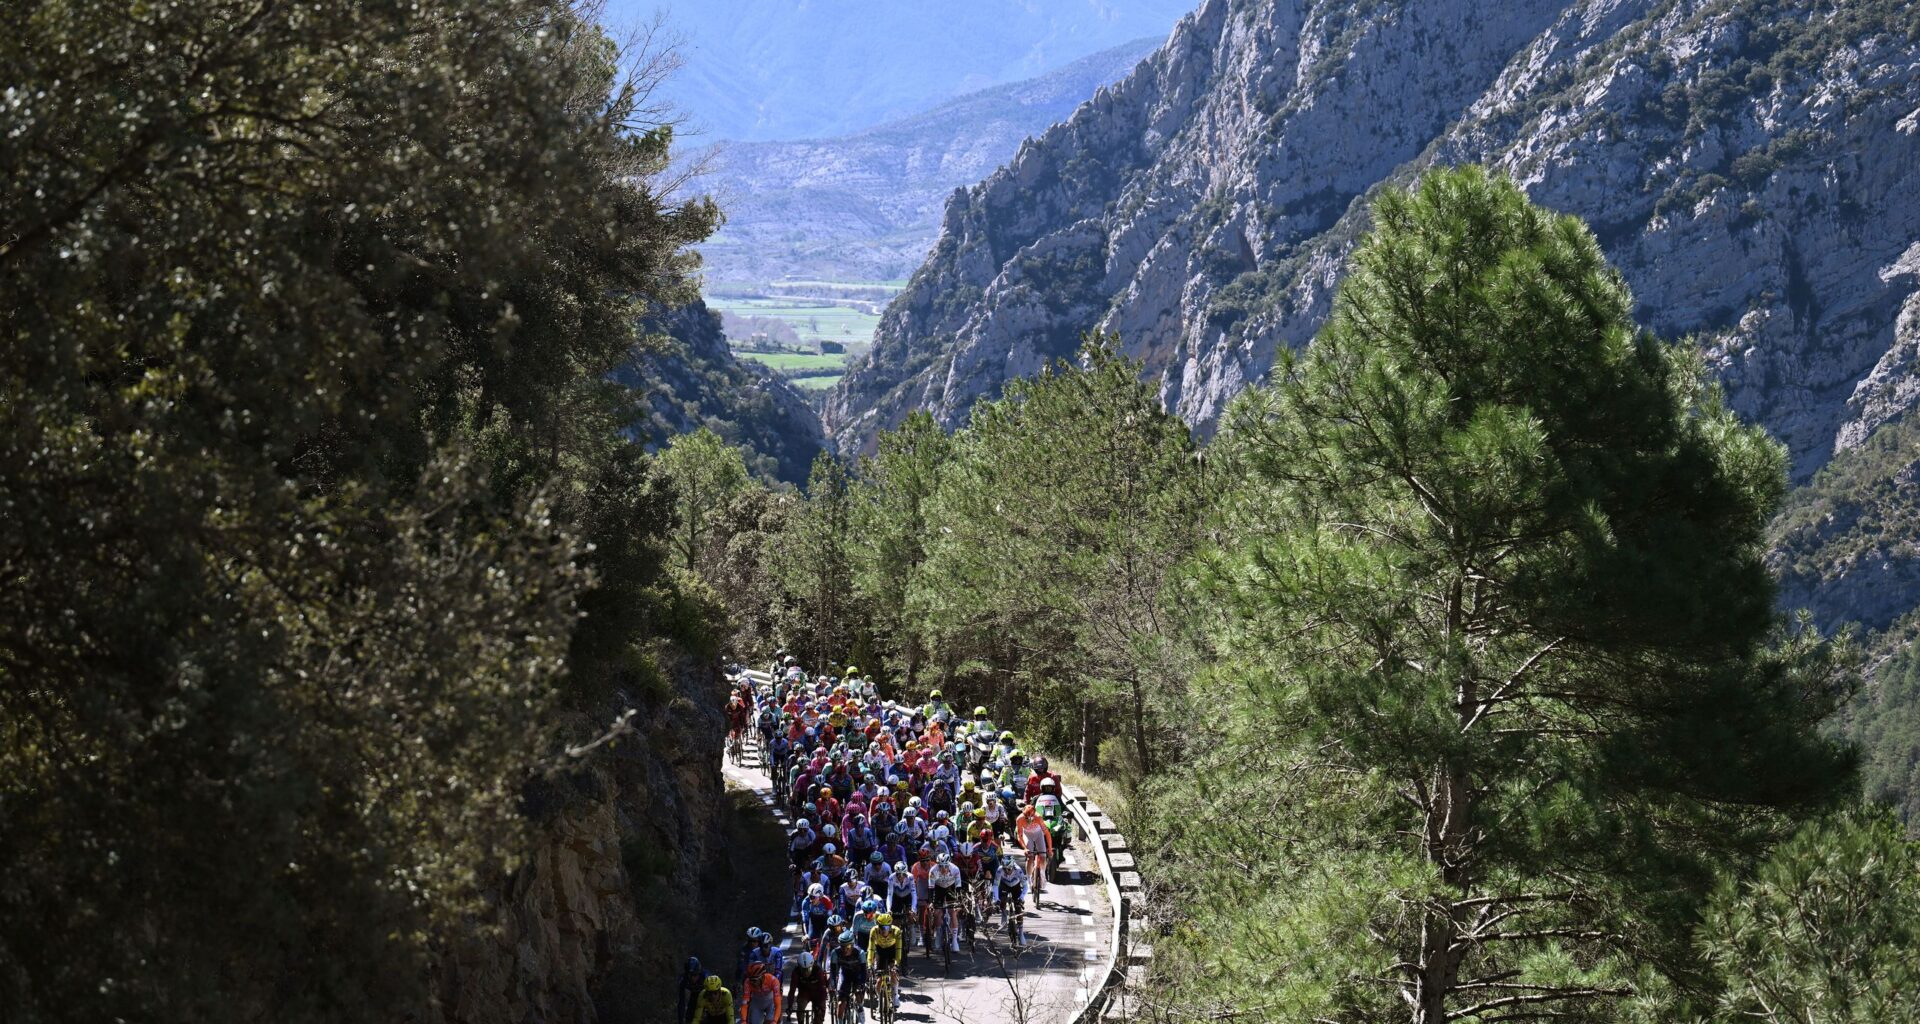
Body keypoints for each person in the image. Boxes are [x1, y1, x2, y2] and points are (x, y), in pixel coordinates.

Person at [867, 912, 905, 1010]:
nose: (884, 930)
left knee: (893, 973)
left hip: (893, 950)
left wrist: (896, 965)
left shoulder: (897, 931)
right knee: (879, 980)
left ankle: (895, 996)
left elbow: (899, 950)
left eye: (887, 928)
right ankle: (880, 1000)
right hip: (880, 950)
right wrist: (869, 964)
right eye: (882, 928)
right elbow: (870, 949)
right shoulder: (873, 931)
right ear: (878, 926)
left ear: (890, 926)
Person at [1015, 803, 1052, 898]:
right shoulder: (1019, 819)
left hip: (1038, 834)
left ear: (1033, 816)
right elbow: (1019, 835)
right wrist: (1025, 848)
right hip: (1028, 835)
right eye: (1025, 817)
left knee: (1043, 856)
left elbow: (1047, 834)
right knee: (1029, 857)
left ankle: (1043, 874)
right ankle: (1028, 880)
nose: (1026, 820)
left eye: (1029, 818)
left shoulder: (1038, 817)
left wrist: (1050, 849)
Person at [828, 935, 868, 1023]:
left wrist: (861, 984)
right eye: (843, 947)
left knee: (858, 993)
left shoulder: (860, 953)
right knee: (841, 1003)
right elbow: (833, 971)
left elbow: (864, 971)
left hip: (857, 974)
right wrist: (833, 984)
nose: (845, 950)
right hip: (844, 974)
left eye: (848, 947)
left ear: (853, 945)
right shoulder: (835, 953)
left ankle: (860, 1009)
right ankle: (840, 1021)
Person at [787, 949, 830, 1024]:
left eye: (808, 969)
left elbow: (822, 990)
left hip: (818, 993)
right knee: (800, 1007)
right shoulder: (796, 972)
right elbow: (792, 991)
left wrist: (820, 1007)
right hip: (804, 993)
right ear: (799, 967)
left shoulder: (818, 971)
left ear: (812, 965)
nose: (806, 972)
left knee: (819, 1017)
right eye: (803, 970)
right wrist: (790, 1006)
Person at [677, 956, 705, 1024]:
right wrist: (681, 1021)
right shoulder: (683, 980)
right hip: (694, 995)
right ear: (687, 974)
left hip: (706, 995)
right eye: (691, 975)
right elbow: (681, 1002)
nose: (693, 978)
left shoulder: (706, 977)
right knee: (689, 1017)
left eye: (695, 975)